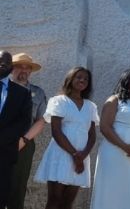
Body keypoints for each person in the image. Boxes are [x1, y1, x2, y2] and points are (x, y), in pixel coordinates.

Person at [34, 67, 99, 209]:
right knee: (55, 199)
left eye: (86, 79)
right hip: (61, 154)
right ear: (70, 79)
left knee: (68, 202)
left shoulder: (91, 107)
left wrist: (82, 156)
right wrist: (75, 155)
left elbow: (92, 136)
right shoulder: (59, 101)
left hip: (82, 157)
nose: (82, 80)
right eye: (79, 77)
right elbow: (56, 132)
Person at [90, 68, 130, 209]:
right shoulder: (114, 100)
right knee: (111, 192)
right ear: (126, 79)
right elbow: (105, 127)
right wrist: (125, 146)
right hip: (115, 154)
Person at [8, 53, 47, 209]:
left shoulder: (38, 93)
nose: (23, 70)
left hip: (24, 144)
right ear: (11, 68)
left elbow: (41, 120)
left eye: (27, 67)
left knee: (17, 187)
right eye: (19, 66)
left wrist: (23, 140)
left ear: (31, 71)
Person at [0, 51, 32, 209]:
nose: (2, 65)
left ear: (10, 67)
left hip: (4, 155)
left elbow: (24, 122)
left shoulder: (23, 93)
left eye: (6, 62)